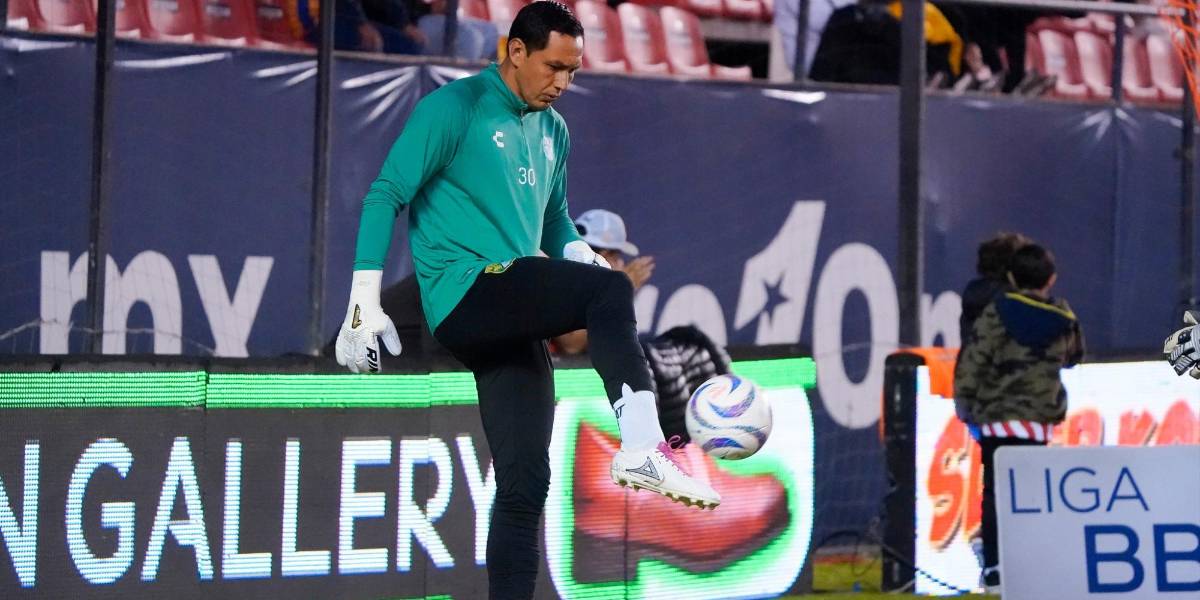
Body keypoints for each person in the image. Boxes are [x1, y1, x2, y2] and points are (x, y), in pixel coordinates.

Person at [332, 3, 719, 597]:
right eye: (553, 67)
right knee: (611, 291)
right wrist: (363, 298)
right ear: (516, 51)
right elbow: (385, 194)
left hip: (510, 314)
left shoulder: (554, 130)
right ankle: (642, 444)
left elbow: (555, 221)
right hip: (466, 290)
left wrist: (580, 253)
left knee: (524, 486)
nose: (562, 82)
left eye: (573, 71)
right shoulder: (454, 108)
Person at [954, 243, 1085, 593]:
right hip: (1038, 421)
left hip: (997, 418)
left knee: (995, 492)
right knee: (1029, 494)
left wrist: (964, 403)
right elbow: (1075, 356)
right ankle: (1029, 564)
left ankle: (995, 569)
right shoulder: (1063, 316)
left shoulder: (998, 311)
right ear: (1051, 278)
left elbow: (975, 358)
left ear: (1011, 277)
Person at [552, 208, 655, 355]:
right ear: (605, 256)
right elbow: (571, 345)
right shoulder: (559, 278)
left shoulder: (589, 289)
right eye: (617, 257)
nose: (621, 264)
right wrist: (618, 292)